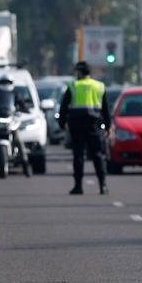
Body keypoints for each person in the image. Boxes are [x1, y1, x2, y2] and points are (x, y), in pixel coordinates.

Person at [58, 61, 110, 195]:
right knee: (98, 155)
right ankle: (102, 185)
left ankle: (78, 186)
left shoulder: (74, 86)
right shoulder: (99, 86)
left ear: (80, 72)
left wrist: (62, 123)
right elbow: (105, 109)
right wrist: (108, 126)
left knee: (78, 155)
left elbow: (64, 107)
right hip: (94, 125)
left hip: (77, 125)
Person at [0, 73, 31, 177]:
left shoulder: (15, 93)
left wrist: (24, 108)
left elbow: (22, 103)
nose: (6, 84)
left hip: (11, 118)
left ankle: (25, 163)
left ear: (12, 83)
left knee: (18, 139)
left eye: (8, 82)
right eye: (4, 82)